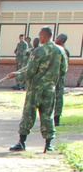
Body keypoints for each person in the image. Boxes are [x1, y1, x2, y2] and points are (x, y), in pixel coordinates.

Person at [10, 25, 67, 153]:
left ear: (44, 35)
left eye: (40, 35)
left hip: (35, 89)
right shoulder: (60, 51)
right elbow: (63, 70)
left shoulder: (39, 51)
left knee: (28, 114)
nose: (39, 37)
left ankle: (22, 142)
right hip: (50, 89)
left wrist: (16, 75)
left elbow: (30, 72)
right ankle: (48, 145)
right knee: (47, 115)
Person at [54, 33, 70, 125]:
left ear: (62, 40)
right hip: (52, 77)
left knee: (58, 97)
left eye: (58, 38)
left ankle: (57, 119)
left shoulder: (64, 51)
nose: (56, 39)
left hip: (59, 77)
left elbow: (65, 66)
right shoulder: (55, 49)